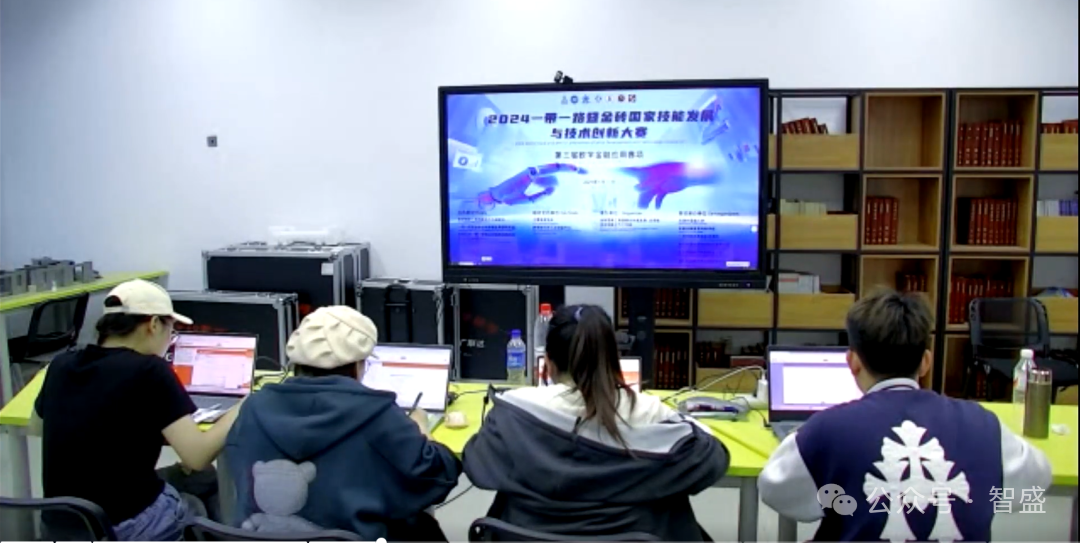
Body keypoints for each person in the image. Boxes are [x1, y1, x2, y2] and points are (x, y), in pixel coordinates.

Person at [758, 289, 1052, 542]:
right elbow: (1036, 479)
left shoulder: (825, 430)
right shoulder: (985, 425)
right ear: (926, 362)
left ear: (853, 362)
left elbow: (777, 491)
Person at [463, 304, 728, 541]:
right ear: (613, 360)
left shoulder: (513, 411)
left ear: (548, 363)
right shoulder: (651, 414)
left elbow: (477, 464)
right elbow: (712, 462)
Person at [225, 306, 461, 541]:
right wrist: (421, 428)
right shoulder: (377, 413)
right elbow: (435, 475)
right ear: (358, 365)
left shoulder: (253, 408)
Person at [31, 279, 241, 541]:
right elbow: (196, 457)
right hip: (122, 527)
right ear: (153, 324)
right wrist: (242, 406)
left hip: (59, 525)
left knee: (200, 477)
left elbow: (36, 427)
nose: (170, 339)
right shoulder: (151, 370)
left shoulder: (61, 364)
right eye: (171, 330)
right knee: (196, 498)